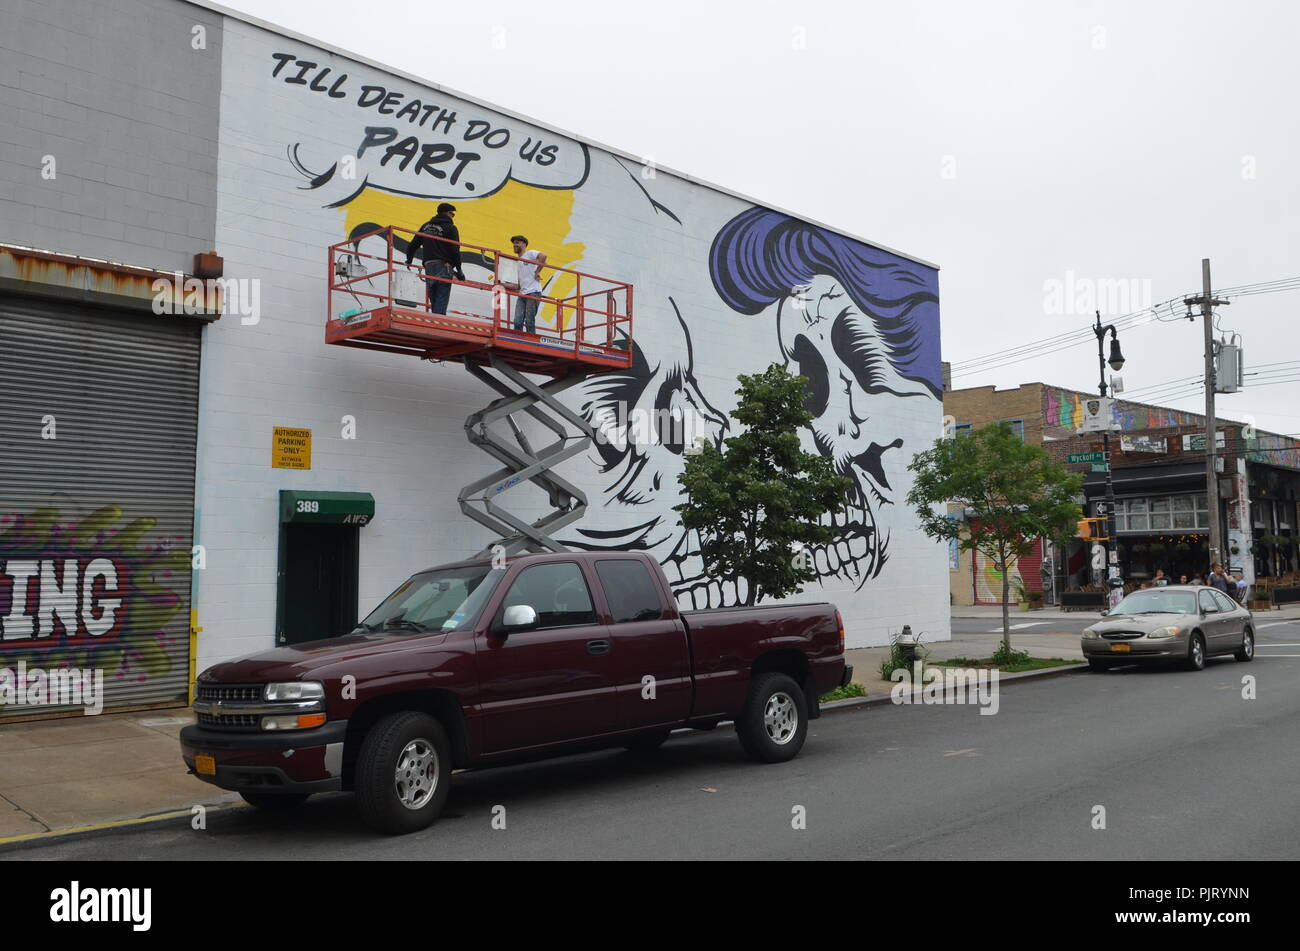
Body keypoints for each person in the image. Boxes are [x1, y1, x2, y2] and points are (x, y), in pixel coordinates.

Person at [405, 202, 464, 315]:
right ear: (447, 213)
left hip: (429, 266)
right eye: (453, 214)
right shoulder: (451, 228)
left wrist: (409, 260)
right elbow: (454, 250)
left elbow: (413, 245)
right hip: (444, 266)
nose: (453, 217)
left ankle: (435, 319)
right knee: (442, 296)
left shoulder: (425, 226)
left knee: (433, 297)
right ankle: (438, 322)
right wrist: (459, 270)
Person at [507, 235, 547, 334]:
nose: (514, 245)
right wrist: (502, 284)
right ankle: (517, 341)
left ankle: (531, 341)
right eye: (514, 243)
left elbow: (544, 256)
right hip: (523, 294)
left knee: (529, 321)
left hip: (533, 292)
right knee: (517, 321)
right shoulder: (519, 262)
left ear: (524, 244)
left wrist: (537, 271)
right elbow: (519, 286)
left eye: (517, 242)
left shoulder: (529, 254)